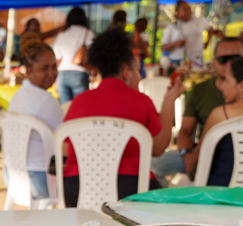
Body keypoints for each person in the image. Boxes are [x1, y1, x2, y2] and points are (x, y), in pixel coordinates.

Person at [61, 28, 183, 207]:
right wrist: (170, 99)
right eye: (136, 70)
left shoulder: (79, 101)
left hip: (77, 189)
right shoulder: (141, 101)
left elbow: (65, 150)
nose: (140, 76)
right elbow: (158, 148)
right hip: (129, 190)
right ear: (126, 71)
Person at [152, 36, 243, 181]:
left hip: (242, 159)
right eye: (223, 60)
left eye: (236, 58)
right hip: (203, 154)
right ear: (214, 62)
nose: (229, 64)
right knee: (152, 166)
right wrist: (187, 154)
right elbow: (185, 131)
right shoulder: (201, 90)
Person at [194, 56, 243, 185]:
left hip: (223, 191)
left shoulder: (221, 113)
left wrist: (184, 154)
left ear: (242, 86)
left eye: (226, 80)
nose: (222, 87)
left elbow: (198, 158)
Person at [5, 41, 62, 204]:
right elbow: (67, 140)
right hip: (39, 180)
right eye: (44, 69)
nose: (51, 74)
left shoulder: (19, 95)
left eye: (54, 67)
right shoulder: (45, 100)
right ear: (28, 71)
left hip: (12, 176)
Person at [53, 7, 94, 102]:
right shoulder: (87, 33)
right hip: (80, 73)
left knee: (65, 110)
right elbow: (93, 54)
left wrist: (56, 80)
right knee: (80, 109)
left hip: (62, 74)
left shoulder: (61, 35)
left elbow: (57, 59)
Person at [161, 1, 208, 69]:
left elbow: (211, 29)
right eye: (185, 9)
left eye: (189, 8)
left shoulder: (199, 21)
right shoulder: (172, 27)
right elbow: (163, 47)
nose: (188, 11)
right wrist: (174, 44)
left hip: (196, 60)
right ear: (177, 12)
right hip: (177, 61)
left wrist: (207, 42)